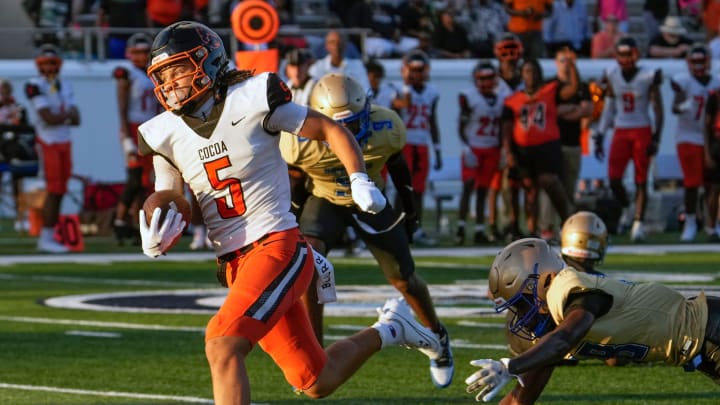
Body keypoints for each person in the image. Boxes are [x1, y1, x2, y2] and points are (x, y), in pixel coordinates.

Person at [136, 21, 443, 405]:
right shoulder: (161, 131)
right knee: (315, 380)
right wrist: (157, 223)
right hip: (234, 263)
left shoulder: (252, 97)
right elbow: (169, 193)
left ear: (207, 61)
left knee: (222, 344)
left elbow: (329, 129)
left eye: (177, 69)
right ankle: (391, 329)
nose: (170, 82)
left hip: (276, 245)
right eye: (162, 74)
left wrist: (359, 177)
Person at [280, 72, 455, 388]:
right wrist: (291, 222)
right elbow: (296, 185)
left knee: (404, 278)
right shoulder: (299, 141)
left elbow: (401, 173)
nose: (348, 133)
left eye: (355, 124)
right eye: (339, 127)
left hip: (370, 198)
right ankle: (314, 351)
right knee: (309, 263)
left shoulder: (385, 127)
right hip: (325, 197)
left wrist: (410, 213)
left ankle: (437, 336)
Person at [464, 236, 720, 403]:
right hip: (703, 346)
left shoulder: (569, 288)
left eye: (522, 303)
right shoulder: (554, 328)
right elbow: (521, 397)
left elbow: (565, 338)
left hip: (711, 331)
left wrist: (511, 365)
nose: (520, 316)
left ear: (540, 281)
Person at [593, 36, 664, 242]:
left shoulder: (648, 75)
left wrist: (656, 137)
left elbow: (658, 109)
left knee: (641, 179)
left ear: (636, 54)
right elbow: (609, 107)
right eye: (622, 54)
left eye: (629, 54)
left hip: (642, 128)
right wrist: (600, 133)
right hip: (621, 129)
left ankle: (638, 223)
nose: (626, 59)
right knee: (614, 179)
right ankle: (627, 207)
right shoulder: (612, 74)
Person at [501, 56, 577, 238]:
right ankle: (532, 231)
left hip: (546, 147)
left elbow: (572, 90)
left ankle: (567, 219)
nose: (531, 75)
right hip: (523, 149)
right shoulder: (513, 100)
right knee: (529, 189)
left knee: (549, 181)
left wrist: (572, 66)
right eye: (527, 71)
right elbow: (506, 129)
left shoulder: (550, 91)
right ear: (522, 75)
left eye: (534, 71)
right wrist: (509, 152)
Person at [25, 44, 81, 253]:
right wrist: (64, 116)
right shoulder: (34, 84)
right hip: (48, 141)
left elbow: (77, 118)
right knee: (54, 190)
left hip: (64, 140)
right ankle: (45, 236)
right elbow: (46, 117)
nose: (49, 68)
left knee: (61, 190)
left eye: (52, 63)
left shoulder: (65, 84)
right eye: (45, 64)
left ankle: (50, 234)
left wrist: (62, 117)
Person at [538, 47, 593, 241]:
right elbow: (552, 110)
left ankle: (567, 227)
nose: (567, 64)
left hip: (572, 143)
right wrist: (572, 109)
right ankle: (546, 228)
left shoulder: (582, 86)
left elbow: (587, 110)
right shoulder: (550, 85)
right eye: (563, 60)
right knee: (550, 188)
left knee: (569, 188)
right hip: (552, 143)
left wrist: (567, 110)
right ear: (555, 62)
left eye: (570, 60)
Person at [111, 33, 159, 246]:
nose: (141, 56)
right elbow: (121, 107)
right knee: (134, 179)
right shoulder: (126, 73)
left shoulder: (153, 73)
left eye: (144, 52)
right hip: (133, 127)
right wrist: (127, 136)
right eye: (137, 52)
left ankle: (139, 224)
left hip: (152, 128)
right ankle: (120, 221)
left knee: (146, 182)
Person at [670, 44, 720, 242]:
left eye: (702, 61)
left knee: (712, 184)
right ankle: (690, 221)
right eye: (695, 61)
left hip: (710, 137)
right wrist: (684, 106)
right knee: (692, 183)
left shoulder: (715, 82)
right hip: (688, 135)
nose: (699, 65)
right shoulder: (683, 81)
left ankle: (711, 224)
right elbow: (675, 106)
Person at [392, 49, 442, 245]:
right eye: (413, 70)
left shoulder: (432, 92)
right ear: (405, 70)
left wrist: (437, 148)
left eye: (420, 70)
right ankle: (397, 227)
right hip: (404, 143)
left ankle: (415, 227)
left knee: (419, 190)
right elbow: (403, 105)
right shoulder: (397, 88)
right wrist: (406, 84)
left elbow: (432, 120)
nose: (417, 75)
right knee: (402, 188)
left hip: (422, 144)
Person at [456, 62, 506, 245]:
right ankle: (460, 228)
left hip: (492, 147)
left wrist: (502, 150)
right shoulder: (469, 97)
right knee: (468, 187)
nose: (486, 82)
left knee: (483, 190)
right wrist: (465, 147)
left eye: (489, 78)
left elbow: (502, 127)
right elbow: (461, 125)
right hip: (474, 146)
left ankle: (479, 229)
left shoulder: (501, 97)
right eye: (482, 78)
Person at [491, 33, 525, 242]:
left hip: (521, 139)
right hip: (496, 138)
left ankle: (517, 223)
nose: (510, 61)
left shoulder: (525, 81)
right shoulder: (493, 82)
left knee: (519, 185)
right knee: (500, 186)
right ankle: (502, 224)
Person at [0, 79, 35, 233]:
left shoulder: (18, 108)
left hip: (14, 152)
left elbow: (24, 127)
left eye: (6, 90)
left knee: (17, 186)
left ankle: (20, 217)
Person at [703, 82, 720, 241]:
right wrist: (707, 153)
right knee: (714, 188)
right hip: (718, 145)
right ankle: (711, 226)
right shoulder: (715, 95)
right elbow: (707, 124)